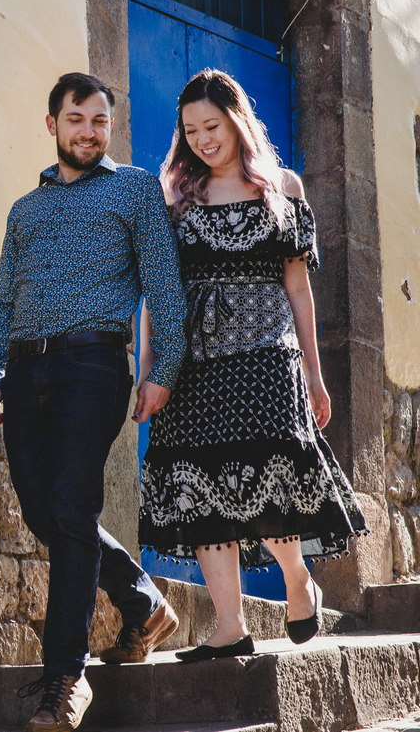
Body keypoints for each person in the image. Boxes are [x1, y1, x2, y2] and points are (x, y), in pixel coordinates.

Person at [0, 72, 188, 732]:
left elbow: (163, 280)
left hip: (95, 365)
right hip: (24, 371)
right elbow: (2, 297)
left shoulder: (133, 189)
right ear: (53, 125)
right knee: (47, 512)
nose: (90, 131)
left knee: (72, 504)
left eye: (100, 120)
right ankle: (142, 600)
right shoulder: (25, 210)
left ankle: (63, 681)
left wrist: (164, 366)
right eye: (78, 119)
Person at [137, 69, 367, 662]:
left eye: (211, 126)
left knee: (269, 481)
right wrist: (148, 370)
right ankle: (229, 624)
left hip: (268, 358)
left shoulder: (283, 187)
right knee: (203, 486)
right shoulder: (172, 197)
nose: (202, 140)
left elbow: (298, 291)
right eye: (190, 131)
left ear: (237, 121)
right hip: (195, 362)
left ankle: (297, 579)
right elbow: (154, 294)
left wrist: (315, 376)